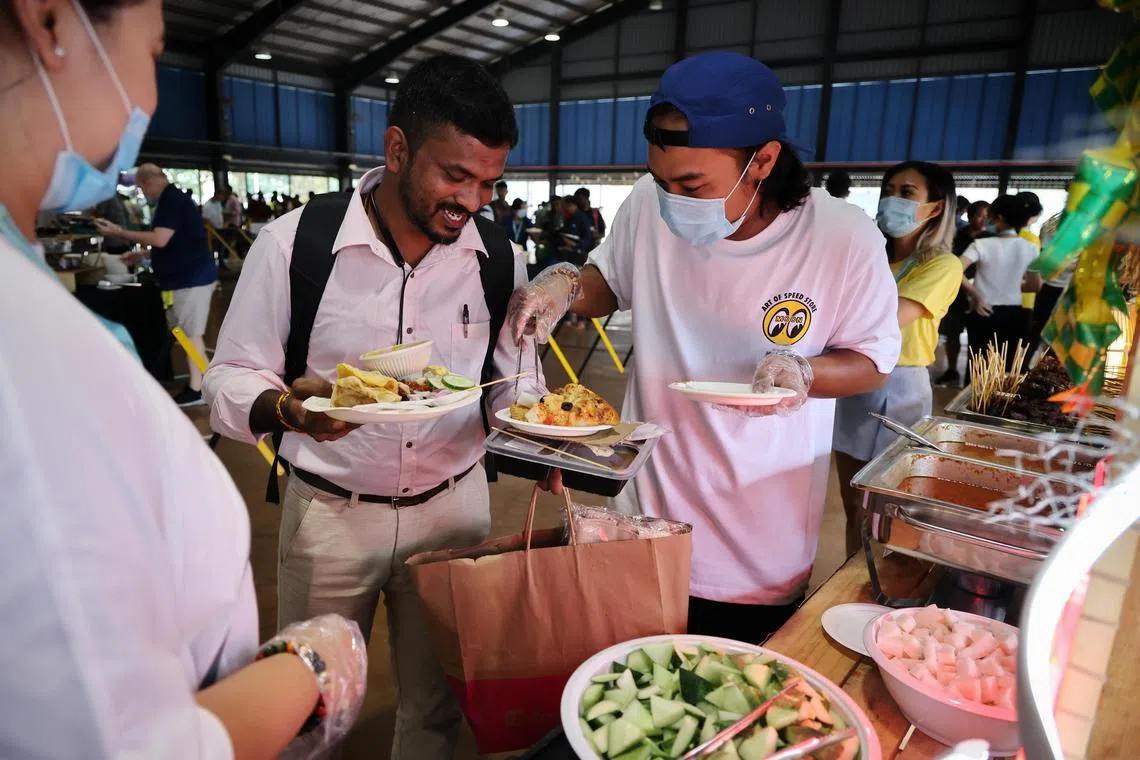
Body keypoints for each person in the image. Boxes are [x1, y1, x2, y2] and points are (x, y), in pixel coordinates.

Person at [0, 0, 368, 757]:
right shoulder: (27, 357)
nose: (150, 95)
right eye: (155, 49)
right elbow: (113, 738)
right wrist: (312, 667)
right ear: (48, 20)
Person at [203, 54, 543, 760]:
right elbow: (229, 375)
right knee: (305, 711)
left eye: (489, 182)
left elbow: (517, 387)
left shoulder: (498, 260)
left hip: (454, 511)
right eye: (455, 176)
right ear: (396, 150)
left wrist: (551, 436)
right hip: (330, 514)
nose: (473, 201)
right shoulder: (297, 245)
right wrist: (290, 411)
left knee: (437, 709)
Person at [507, 52, 901, 642]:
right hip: (642, 521)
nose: (672, 200)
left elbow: (870, 360)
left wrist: (804, 372)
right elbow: (608, 282)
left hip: (760, 543)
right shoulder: (647, 205)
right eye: (663, 182)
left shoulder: (841, 238)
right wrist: (563, 286)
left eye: (691, 185)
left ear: (764, 159)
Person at [834, 161, 961, 555]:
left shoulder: (942, 265)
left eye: (907, 192)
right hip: (850, 379)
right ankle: (847, 583)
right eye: (889, 189)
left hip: (899, 386)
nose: (893, 199)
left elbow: (888, 321)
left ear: (935, 208)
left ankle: (880, 589)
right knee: (853, 505)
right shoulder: (866, 256)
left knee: (889, 508)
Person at [95, 163, 218, 407]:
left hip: (192, 280)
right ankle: (202, 383)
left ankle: (198, 389)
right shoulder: (172, 200)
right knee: (186, 334)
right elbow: (176, 242)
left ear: (149, 181)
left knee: (191, 335)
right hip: (186, 277)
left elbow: (161, 239)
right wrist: (143, 255)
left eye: (141, 187)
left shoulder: (171, 201)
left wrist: (121, 233)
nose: (143, 192)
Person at [959, 193, 1043, 369]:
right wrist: (1012, 285)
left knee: (977, 368)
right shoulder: (1030, 248)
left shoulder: (980, 244)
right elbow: (1035, 286)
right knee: (1006, 369)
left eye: (989, 215)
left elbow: (955, 270)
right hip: (1015, 314)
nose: (987, 220)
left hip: (982, 310)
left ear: (999, 218)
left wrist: (975, 294)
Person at [937, 199, 991, 385]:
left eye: (987, 216)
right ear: (969, 216)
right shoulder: (956, 236)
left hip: (982, 294)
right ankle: (952, 370)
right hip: (957, 292)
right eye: (979, 216)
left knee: (979, 339)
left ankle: (977, 377)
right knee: (952, 332)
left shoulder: (990, 239)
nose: (983, 220)